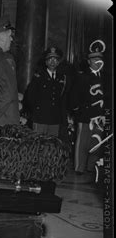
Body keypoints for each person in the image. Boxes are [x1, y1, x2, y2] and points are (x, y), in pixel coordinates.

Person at [68, 40, 107, 179]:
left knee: (96, 142)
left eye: (100, 59)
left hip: (100, 116)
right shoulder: (82, 77)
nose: (97, 61)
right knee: (82, 142)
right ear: (89, 61)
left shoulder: (105, 78)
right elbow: (73, 97)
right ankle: (80, 167)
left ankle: (91, 166)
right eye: (94, 59)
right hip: (85, 115)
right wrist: (77, 111)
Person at [23, 47, 67, 136]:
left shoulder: (62, 78)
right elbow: (30, 96)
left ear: (58, 62)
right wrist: (36, 111)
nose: (52, 62)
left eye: (55, 59)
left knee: (52, 145)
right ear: (46, 62)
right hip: (40, 118)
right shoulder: (38, 76)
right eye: (50, 59)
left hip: (55, 119)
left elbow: (63, 98)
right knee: (38, 144)